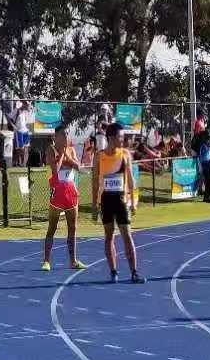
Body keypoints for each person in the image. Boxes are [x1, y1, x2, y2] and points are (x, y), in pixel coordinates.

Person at [92, 123, 146, 284]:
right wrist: (94, 205)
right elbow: (95, 182)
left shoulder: (125, 154)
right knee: (109, 236)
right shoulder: (99, 156)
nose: (122, 140)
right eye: (120, 137)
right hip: (106, 201)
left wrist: (133, 202)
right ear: (110, 138)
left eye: (123, 137)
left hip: (122, 201)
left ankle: (134, 272)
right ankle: (113, 271)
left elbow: (131, 180)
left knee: (127, 236)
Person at [42, 126, 87, 272]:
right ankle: (46, 261)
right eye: (63, 135)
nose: (66, 137)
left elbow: (77, 166)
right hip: (57, 192)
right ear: (56, 137)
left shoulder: (71, 149)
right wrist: (62, 156)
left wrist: (67, 157)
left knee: (72, 227)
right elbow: (56, 169)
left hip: (70, 191)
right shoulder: (51, 150)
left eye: (67, 134)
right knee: (52, 227)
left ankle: (73, 261)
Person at [11, 100, 33, 167]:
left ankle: (23, 163)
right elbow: (10, 118)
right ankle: (18, 162)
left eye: (28, 105)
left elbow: (28, 121)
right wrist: (13, 126)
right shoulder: (17, 110)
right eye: (26, 105)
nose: (28, 106)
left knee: (26, 148)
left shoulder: (26, 112)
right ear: (23, 104)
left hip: (26, 131)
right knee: (20, 148)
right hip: (19, 131)